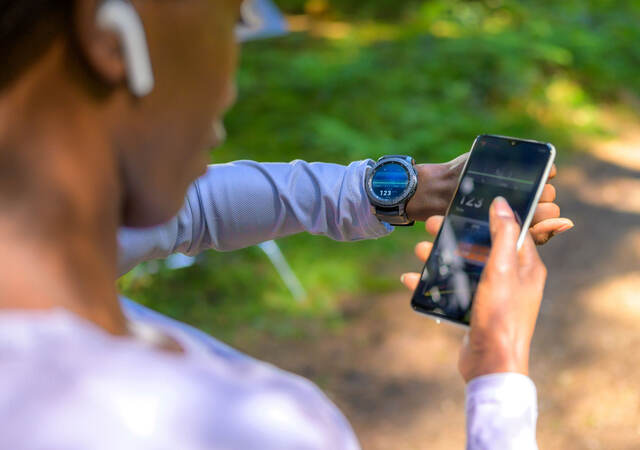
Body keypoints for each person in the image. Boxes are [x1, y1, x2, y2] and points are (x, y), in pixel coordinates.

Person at [0, 0, 571, 449]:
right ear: (110, 31)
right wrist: (499, 372)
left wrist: (411, 189)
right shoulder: (252, 427)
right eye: (233, 17)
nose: (229, 85)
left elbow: (191, 210)